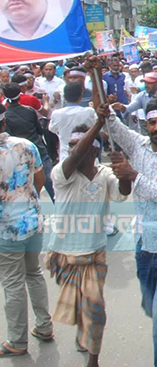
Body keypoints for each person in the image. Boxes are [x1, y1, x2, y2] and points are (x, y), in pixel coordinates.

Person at [95, 91, 157, 366]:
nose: (156, 128)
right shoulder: (138, 146)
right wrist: (95, 79)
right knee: (154, 308)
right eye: (152, 123)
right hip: (143, 244)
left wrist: (133, 175)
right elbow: (108, 120)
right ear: (146, 125)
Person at [45, 120, 129, 366]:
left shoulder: (104, 174)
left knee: (95, 308)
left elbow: (122, 193)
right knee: (82, 306)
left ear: (94, 150)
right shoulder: (61, 173)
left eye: (77, 144)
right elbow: (74, 157)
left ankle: (93, 358)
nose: (72, 149)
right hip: (62, 253)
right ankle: (85, 332)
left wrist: (123, 171)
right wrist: (99, 122)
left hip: (94, 253)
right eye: (70, 144)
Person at [0, 103, 53, 358]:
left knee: (12, 283)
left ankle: (17, 341)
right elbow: (40, 179)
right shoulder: (26, 145)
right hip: (32, 221)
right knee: (34, 274)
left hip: (6, 230)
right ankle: (44, 326)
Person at [3, 83, 54, 202]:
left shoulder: (6, 116)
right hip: (38, 151)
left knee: (22, 186)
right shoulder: (30, 110)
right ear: (20, 95)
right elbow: (39, 130)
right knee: (49, 183)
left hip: (18, 156)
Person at [48, 82, 96, 162]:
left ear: (65, 97)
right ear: (80, 97)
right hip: (86, 154)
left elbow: (52, 129)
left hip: (65, 155)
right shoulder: (89, 111)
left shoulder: (57, 113)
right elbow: (95, 126)